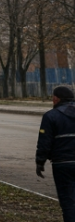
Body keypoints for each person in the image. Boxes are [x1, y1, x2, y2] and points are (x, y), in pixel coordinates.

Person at [36, 85, 75, 221]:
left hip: (62, 164)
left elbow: (44, 142)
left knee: (68, 202)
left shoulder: (51, 116)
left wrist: (40, 162)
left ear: (56, 99)